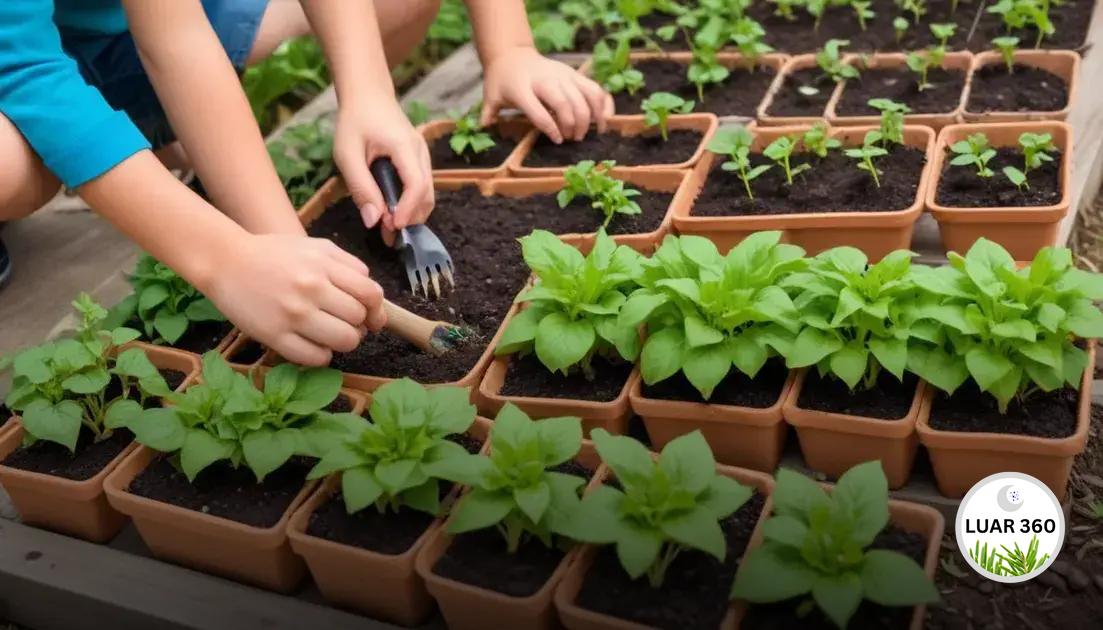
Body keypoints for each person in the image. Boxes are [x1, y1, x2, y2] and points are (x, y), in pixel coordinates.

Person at [0, 0, 612, 364]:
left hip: (115, 32)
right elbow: (27, 71)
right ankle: (123, 149)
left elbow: (175, 37)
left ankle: (142, 137)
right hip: (20, 61)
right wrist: (225, 260)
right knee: (12, 170)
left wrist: (367, 97)